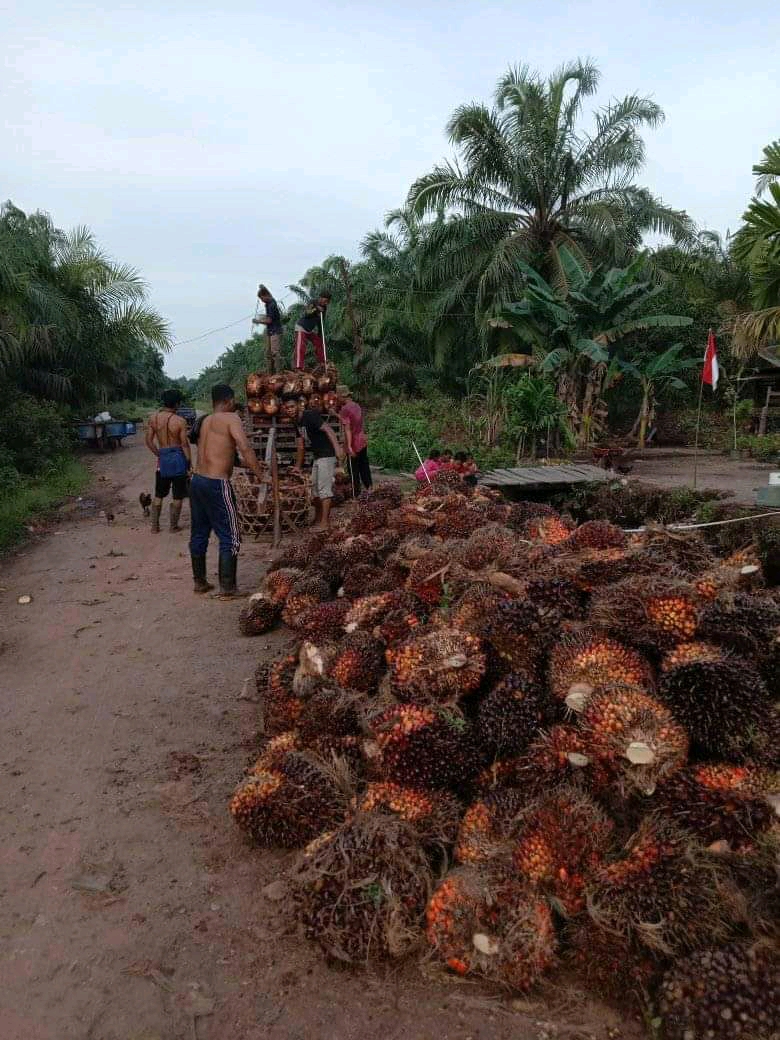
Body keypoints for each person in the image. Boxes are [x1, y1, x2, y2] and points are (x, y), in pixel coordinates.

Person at [189, 384, 265, 597]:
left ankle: (200, 582)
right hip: (217, 484)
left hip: (197, 481)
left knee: (199, 533)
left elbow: (221, 454)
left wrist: (246, 465)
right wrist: (261, 476)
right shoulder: (232, 419)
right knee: (231, 535)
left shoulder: (205, 421)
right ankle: (228, 588)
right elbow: (245, 447)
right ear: (230, 400)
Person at [145, 389, 191, 533]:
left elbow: (148, 440)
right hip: (178, 458)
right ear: (177, 403)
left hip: (163, 459)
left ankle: (155, 527)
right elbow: (184, 444)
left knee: (159, 493)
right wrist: (189, 462)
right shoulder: (180, 421)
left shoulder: (154, 418)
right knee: (178, 494)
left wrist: (158, 454)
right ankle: (173, 526)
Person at [296, 406, 343, 530]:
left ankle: (324, 523)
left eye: (291, 406)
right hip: (317, 457)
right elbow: (301, 446)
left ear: (297, 405)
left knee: (324, 490)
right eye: (286, 407)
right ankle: (317, 519)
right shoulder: (296, 422)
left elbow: (329, 430)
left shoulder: (310, 415)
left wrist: (338, 449)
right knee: (315, 490)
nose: (289, 409)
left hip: (327, 454)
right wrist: (297, 467)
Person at [337, 385, 372, 496]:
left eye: (338, 397)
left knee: (353, 469)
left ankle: (355, 493)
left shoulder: (344, 409)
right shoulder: (356, 406)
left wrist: (350, 447)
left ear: (342, 396)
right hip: (362, 439)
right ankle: (369, 488)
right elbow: (354, 422)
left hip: (353, 442)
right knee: (364, 466)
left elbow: (347, 429)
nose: (337, 400)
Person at [293, 291, 331, 370]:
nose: (325, 303)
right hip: (301, 327)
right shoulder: (313, 302)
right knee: (301, 346)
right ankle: (298, 367)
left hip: (309, 330)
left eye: (327, 302)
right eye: (325, 301)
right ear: (320, 298)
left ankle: (322, 364)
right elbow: (307, 314)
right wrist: (316, 308)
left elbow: (321, 322)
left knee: (319, 343)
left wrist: (320, 335)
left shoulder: (324, 308)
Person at [252, 284, 283, 373]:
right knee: (268, 354)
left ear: (265, 296)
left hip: (275, 331)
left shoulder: (272, 305)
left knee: (275, 353)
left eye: (262, 298)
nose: (261, 301)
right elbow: (267, 291)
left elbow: (269, 321)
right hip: (270, 331)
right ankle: (270, 373)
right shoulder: (268, 302)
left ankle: (278, 373)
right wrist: (262, 287)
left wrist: (258, 321)